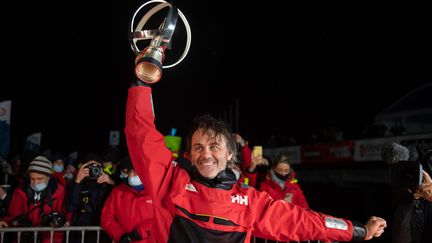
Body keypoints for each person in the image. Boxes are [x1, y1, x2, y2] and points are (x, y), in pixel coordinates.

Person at [124, 80, 386, 243]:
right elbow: (141, 134)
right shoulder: (170, 182)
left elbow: (305, 222)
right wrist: (141, 82)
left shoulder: (250, 201)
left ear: (230, 155)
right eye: (198, 147)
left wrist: (358, 230)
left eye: (215, 147)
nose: (206, 154)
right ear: (190, 154)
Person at [0, 156, 70, 243]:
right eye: (32, 179)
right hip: (24, 238)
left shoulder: (59, 190)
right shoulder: (20, 191)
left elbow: (65, 212)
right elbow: (13, 214)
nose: (35, 182)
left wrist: (64, 222)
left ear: (48, 177)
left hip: (51, 238)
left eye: (40, 179)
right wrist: (5, 222)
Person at [101, 155, 153, 243]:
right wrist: (120, 235)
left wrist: (140, 232)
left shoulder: (155, 192)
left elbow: (163, 217)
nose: (131, 175)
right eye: (127, 171)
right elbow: (106, 217)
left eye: (135, 171)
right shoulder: (118, 192)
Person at [66, 152, 114, 243]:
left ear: (102, 168)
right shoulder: (77, 183)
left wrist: (111, 183)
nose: (94, 169)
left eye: (97, 167)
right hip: (80, 233)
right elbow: (71, 206)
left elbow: (118, 203)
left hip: (102, 233)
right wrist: (77, 181)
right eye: (90, 166)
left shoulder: (107, 183)